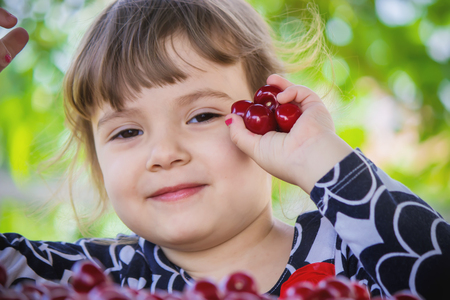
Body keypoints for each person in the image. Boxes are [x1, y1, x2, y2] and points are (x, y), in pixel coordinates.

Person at [0, 1, 449, 299]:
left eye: (202, 116)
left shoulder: (353, 255)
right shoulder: (78, 280)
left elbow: (436, 273)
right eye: (126, 133)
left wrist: (320, 157)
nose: (165, 153)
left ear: (268, 118)